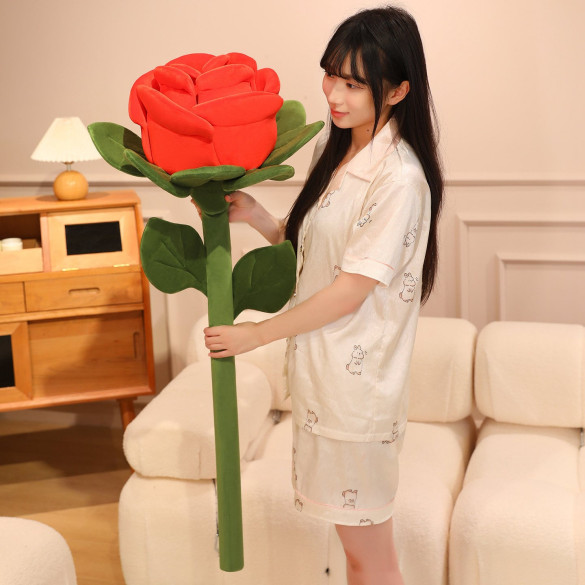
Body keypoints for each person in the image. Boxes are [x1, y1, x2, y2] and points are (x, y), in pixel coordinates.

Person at [204, 6, 443, 585]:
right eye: (331, 75)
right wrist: (257, 216)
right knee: (356, 552)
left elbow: (349, 290)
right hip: (323, 385)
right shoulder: (336, 151)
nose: (334, 95)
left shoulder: (399, 179)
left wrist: (256, 334)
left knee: (370, 557)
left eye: (354, 84)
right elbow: (315, 253)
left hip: (355, 399)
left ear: (398, 90)